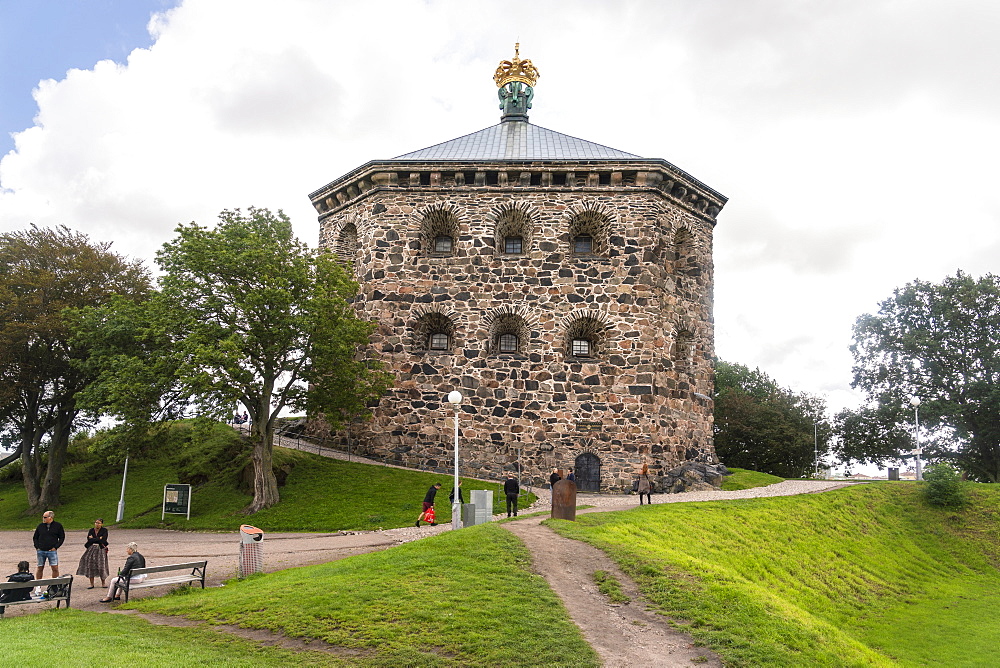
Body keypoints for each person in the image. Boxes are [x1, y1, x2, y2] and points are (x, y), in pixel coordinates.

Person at [76, 518, 110, 589]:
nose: (97, 524)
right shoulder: (91, 530)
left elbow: (103, 540)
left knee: (101, 565)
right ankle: (91, 584)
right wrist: (98, 538)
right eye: (96, 522)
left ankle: (103, 583)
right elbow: (89, 540)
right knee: (90, 565)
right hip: (91, 549)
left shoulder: (104, 530)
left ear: (102, 524)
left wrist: (95, 539)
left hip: (100, 549)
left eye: (99, 523)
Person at [33, 510, 65, 580]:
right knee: (40, 568)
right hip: (41, 550)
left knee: (55, 568)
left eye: (45, 517)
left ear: (50, 517)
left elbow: (62, 537)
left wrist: (56, 547)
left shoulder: (58, 526)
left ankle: (54, 585)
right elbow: (35, 537)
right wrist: (37, 547)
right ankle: (38, 585)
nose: (43, 519)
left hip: (52, 550)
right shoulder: (40, 526)